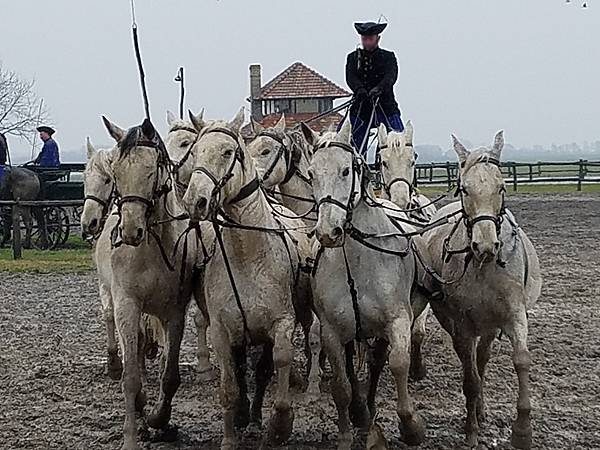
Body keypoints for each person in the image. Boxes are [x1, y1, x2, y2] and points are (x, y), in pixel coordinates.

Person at [345, 21, 404, 155]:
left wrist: (379, 89)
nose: (367, 42)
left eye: (370, 39)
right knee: (353, 145)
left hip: (386, 106)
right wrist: (359, 89)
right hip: (361, 106)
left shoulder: (389, 57)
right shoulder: (352, 58)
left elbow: (391, 77)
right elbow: (350, 77)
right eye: (364, 39)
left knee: (399, 137)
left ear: (378, 39)